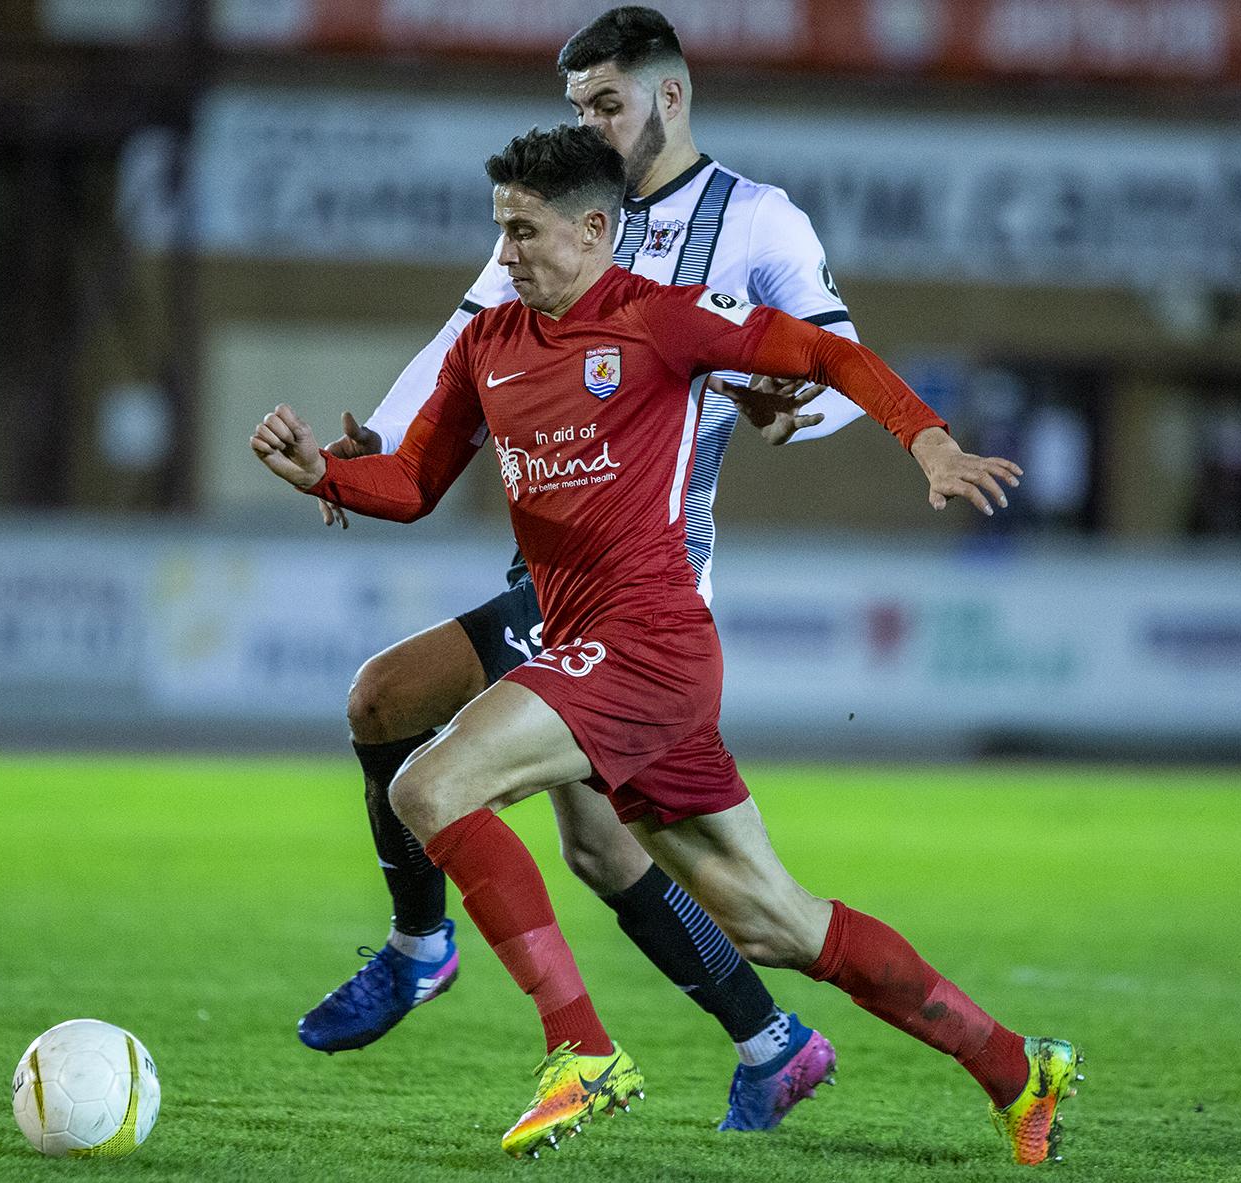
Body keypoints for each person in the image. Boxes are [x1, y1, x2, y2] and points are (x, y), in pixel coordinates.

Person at [253, 123, 1078, 1165]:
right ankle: (1016, 1064)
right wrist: (321, 474)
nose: (504, 255)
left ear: (596, 229)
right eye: (500, 230)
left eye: (525, 232)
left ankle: (580, 1050)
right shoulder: (487, 343)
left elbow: (820, 349)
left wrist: (929, 439)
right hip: (593, 649)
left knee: (428, 788)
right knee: (778, 922)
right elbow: (413, 484)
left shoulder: (662, 321)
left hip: (648, 643)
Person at [297, 7, 870, 1133]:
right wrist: (372, 445)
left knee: (384, 699)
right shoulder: (554, 218)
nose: (590, 126)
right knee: (601, 846)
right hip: (554, 570)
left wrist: (780, 410)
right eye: (576, 109)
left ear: (668, 97)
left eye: (606, 104)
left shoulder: (754, 220)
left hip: (645, 588)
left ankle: (425, 950)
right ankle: (774, 1041)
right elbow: (468, 326)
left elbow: (840, 365)